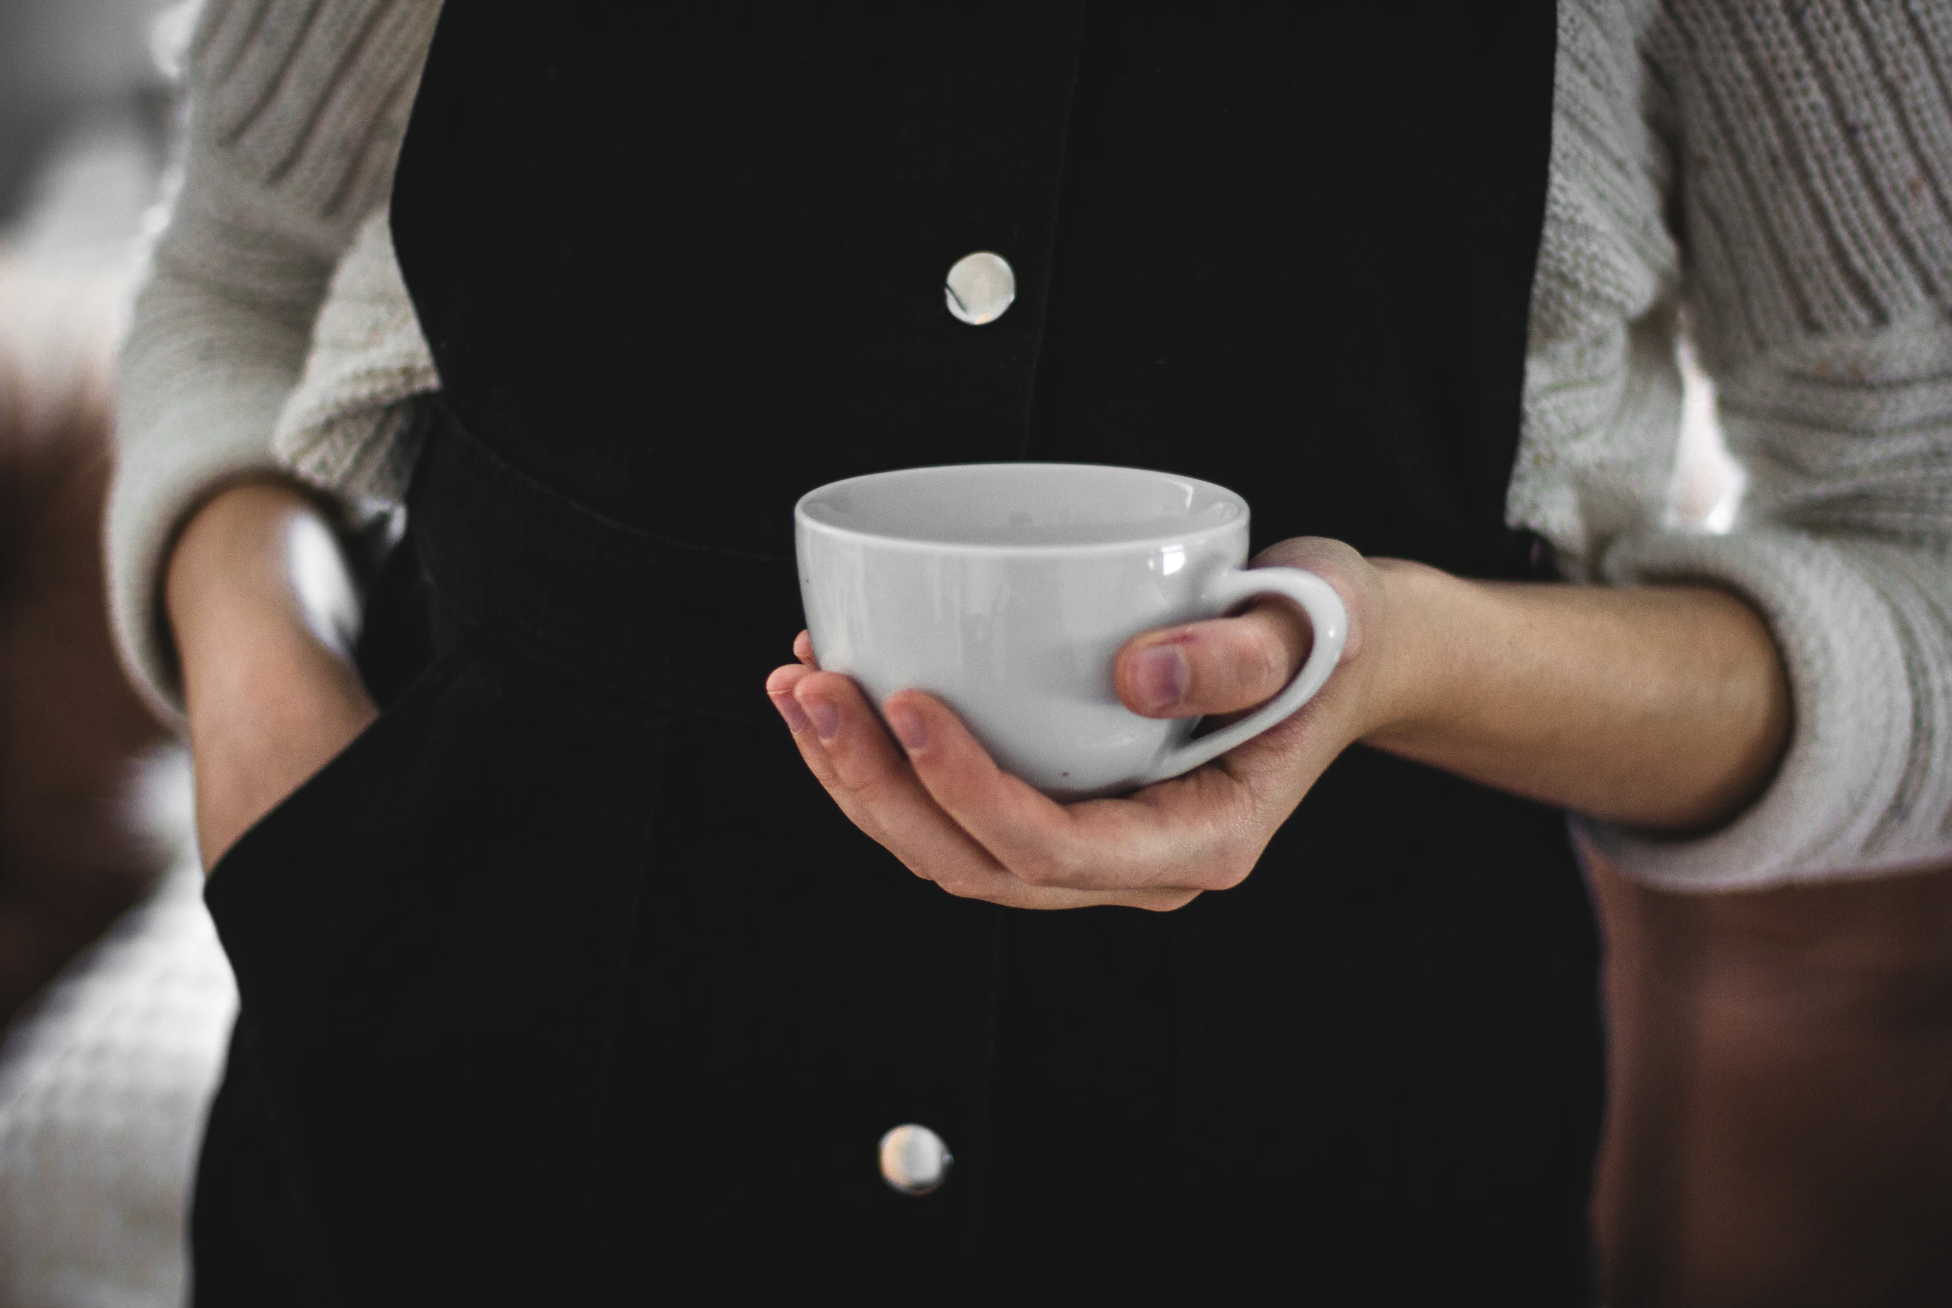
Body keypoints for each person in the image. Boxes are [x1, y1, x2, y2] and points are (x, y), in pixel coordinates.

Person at [110, 1, 1952, 1303]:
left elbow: (1922, 560)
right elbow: (240, 272)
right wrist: (267, 713)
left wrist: (1403, 656)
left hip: (1318, 1190)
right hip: (452, 1169)